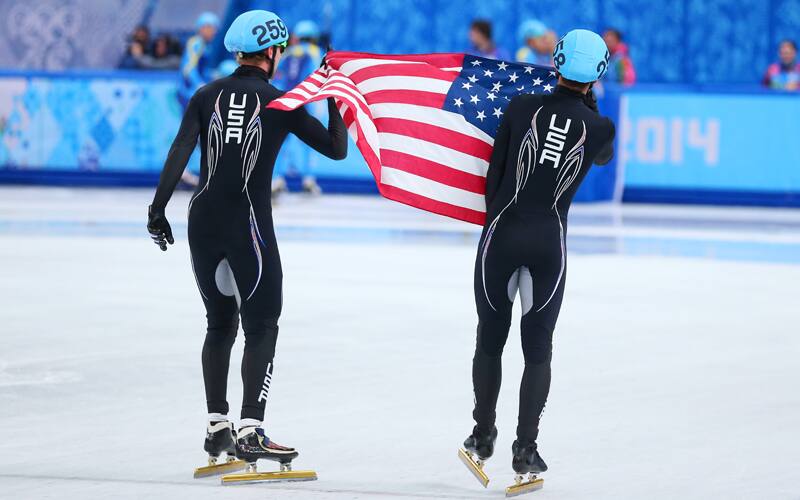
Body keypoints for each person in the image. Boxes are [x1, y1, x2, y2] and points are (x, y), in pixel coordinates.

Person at [147, 9, 347, 477]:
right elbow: (336, 148)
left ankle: (218, 428)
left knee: (219, 323)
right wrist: (335, 95)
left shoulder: (205, 94)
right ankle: (251, 429)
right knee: (261, 325)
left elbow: (180, 150)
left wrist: (157, 210)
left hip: (201, 221)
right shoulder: (280, 102)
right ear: (273, 52)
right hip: (247, 224)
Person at [460, 29, 615, 493]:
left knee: (490, 340)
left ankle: (481, 434)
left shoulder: (522, 106)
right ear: (598, 74)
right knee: (538, 349)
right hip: (549, 243)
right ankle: (525, 448)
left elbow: (496, 173)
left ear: (558, 63)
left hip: (501, 235)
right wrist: (586, 105)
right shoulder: (600, 128)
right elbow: (602, 156)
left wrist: (494, 228)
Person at [272, 19, 326, 196]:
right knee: (310, 141)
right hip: (306, 101)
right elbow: (318, 77)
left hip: (286, 99)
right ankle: (308, 180)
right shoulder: (316, 52)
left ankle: (278, 178)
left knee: (282, 141)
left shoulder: (287, 54)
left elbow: (277, 76)